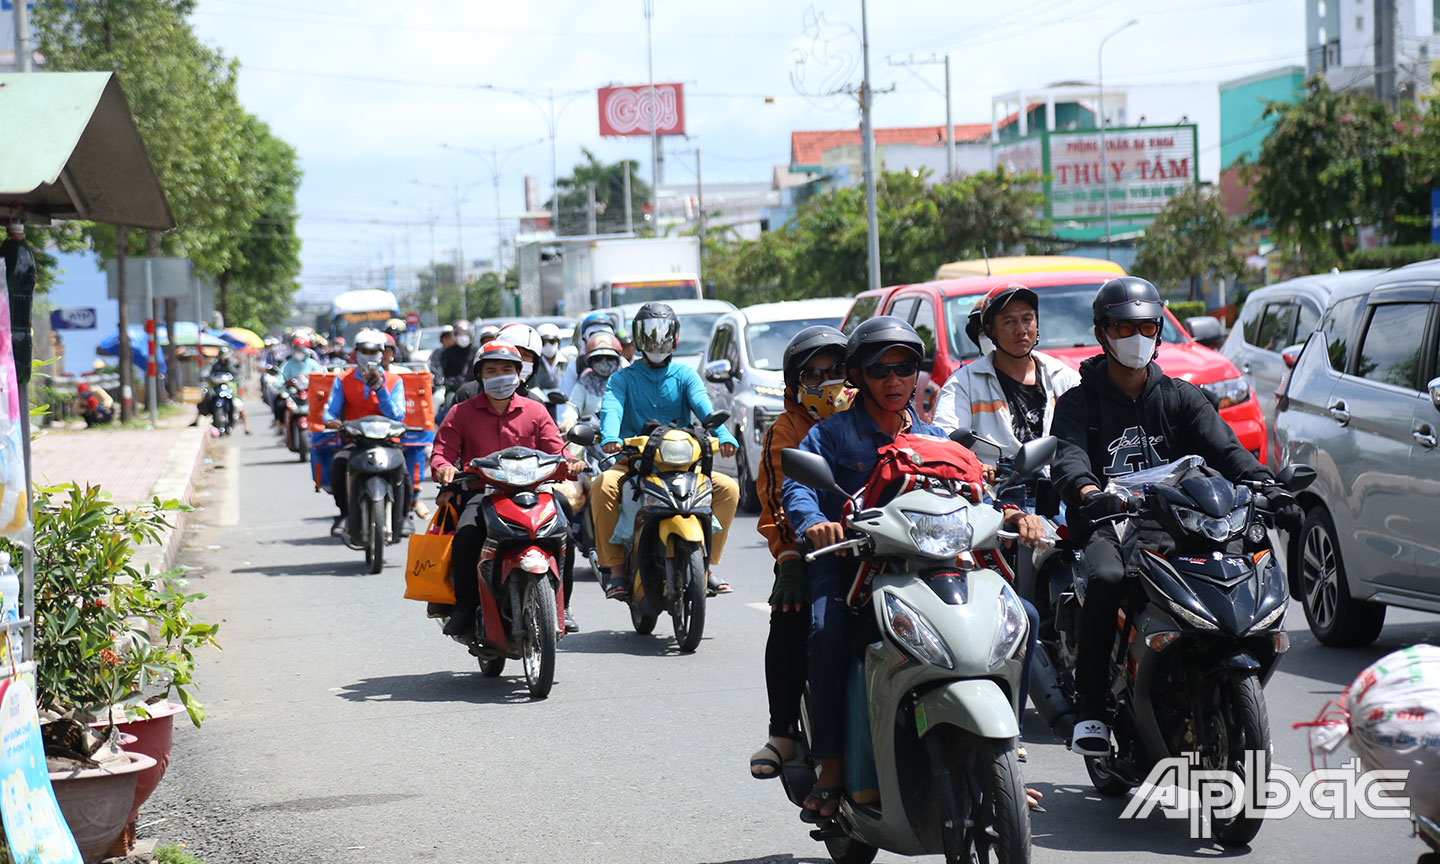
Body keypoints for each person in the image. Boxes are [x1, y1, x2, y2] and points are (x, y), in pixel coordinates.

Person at [781, 316, 1045, 822]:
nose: (894, 379)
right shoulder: (830, 435)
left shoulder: (934, 439)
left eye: (904, 367)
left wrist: (1013, 515)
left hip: (925, 567)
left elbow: (975, 493)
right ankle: (833, 763)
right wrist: (816, 522)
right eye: (880, 369)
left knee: (1024, 618)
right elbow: (797, 489)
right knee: (826, 629)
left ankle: (1004, 750)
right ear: (857, 375)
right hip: (851, 565)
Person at [1049, 276, 1300, 757]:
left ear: (1159, 332)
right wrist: (1087, 491)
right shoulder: (1080, 403)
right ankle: (1094, 712)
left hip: (1181, 522)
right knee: (1105, 577)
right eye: (1124, 328)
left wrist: (1267, 485)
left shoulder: (1182, 397)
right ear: (1103, 333)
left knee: (1244, 556)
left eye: (1146, 327)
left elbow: (1228, 451)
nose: (1136, 338)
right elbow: (1069, 460)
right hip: (1112, 523)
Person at [748, 325, 853, 780]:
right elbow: (777, 500)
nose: (828, 383)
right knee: (791, 615)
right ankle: (784, 731)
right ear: (795, 383)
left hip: (887, 544)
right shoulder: (788, 428)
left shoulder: (876, 414)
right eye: (814, 375)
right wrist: (790, 558)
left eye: (836, 372)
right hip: (810, 550)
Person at [431, 341, 585, 637]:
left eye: (506, 369)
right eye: (491, 370)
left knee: (564, 532)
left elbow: (557, 449)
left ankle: (562, 605)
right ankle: (465, 607)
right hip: (483, 493)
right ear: (480, 376)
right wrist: (445, 467)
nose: (499, 375)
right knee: (465, 536)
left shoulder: (535, 411)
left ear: (519, 373)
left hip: (535, 493)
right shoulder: (462, 412)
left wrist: (572, 462)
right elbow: (442, 451)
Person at [594, 303, 740, 598]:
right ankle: (617, 571)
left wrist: (724, 435)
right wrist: (610, 436)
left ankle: (707, 566)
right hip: (632, 459)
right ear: (636, 339)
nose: (656, 342)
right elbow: (612, 407)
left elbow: (705, 408)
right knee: (603, 485)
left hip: (681, 461)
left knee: (729, 489)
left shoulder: (686, 376)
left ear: (675, 338)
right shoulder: (622, 378)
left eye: (663, 334)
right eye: (649, 334)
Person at [933, 282, 1081, 459]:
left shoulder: (1063, 376)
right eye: (1009, 322)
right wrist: (978, 466)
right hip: (995, 485)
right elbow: (945, 441)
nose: (1021, 330)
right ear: (989, 330)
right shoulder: (963, 384)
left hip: (1060, 482)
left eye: (1027, 319)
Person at [322, 329, 407, 538]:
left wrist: (380, 389)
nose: (369, 355)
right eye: (364, 350)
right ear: (356, 352)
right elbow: (331, 409)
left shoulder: (395, 381)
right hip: (357, 440)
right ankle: (344, 513)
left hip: (388, 440)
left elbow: (397, 415)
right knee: (339, 465)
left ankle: (404, 517)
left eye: (374, 351)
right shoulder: (343, 380)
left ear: (381, 353)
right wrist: (331, 420)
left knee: (403, 472)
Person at [568, 332, 623, 419]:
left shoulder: (624, 382)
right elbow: (573, 407)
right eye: (598, 359)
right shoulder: (584, 384)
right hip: (590, 430)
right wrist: (569, 420)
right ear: (591, 361)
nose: (604, 363)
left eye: (610, 358)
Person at [558, 312, 616, 396]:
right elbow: (565, 399)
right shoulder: (576, 366)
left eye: (604, 335)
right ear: (584, 339)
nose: (599, 341)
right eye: (593, 335)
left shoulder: (621, 364)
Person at [536, 322, 567, 389]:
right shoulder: (534, 364)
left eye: (552, 342)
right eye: (544, 342)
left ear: (558, 342)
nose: (548, 346)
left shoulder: (568, 361)